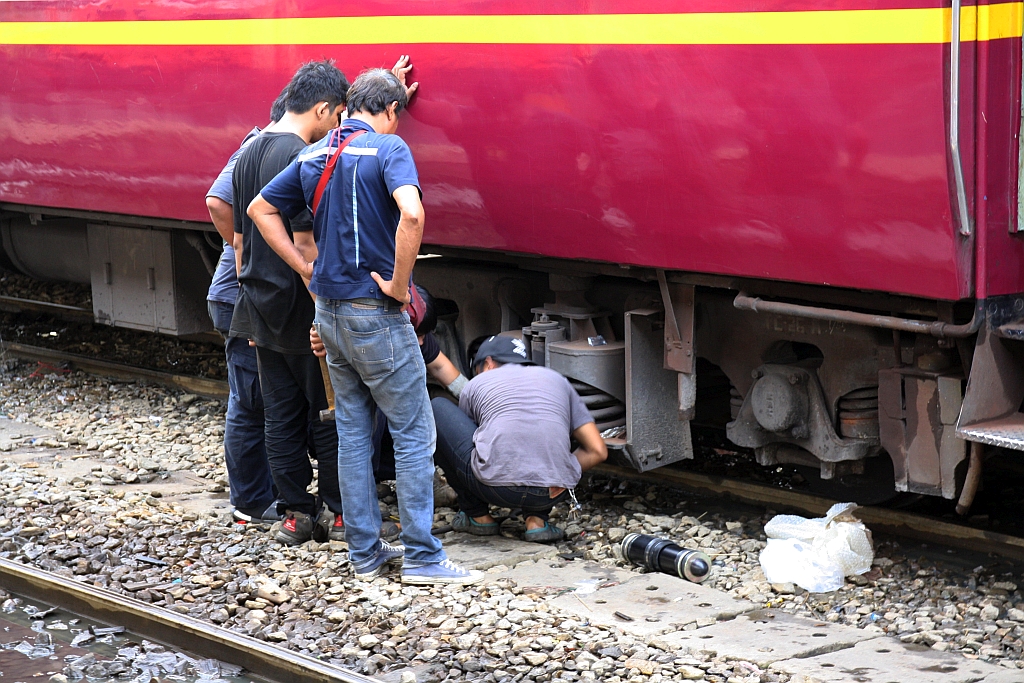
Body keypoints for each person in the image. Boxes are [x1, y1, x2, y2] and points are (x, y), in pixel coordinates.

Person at [249, 66, 482, 585]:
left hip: (328, 315)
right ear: (392, 110)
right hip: (373, 315)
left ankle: (364, 554)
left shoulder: (312, 154)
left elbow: (260, 209)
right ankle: (423, 557)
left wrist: (305, 267)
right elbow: (413, 216)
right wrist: (399, 286)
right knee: (414, 432)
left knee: (353, 433)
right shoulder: (388, 150)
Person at [229, 60, 348, 545]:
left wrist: (253, 290)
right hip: (301, 309)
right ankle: (341, 515)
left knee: (278, 416)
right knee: (327, 413)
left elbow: (238, 241)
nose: (338, 125)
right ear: (321, 108)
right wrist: (324, 312)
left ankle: (296, 515)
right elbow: (307, 246)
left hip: (258, 305)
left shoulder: (250, 149)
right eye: (338, 114)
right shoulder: (299, 155)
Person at [430, 335, 608, 543]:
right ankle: (536, 522)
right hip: (551, 492)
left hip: (493, 487)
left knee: (437, 409)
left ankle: (477, 515)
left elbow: (470, 441)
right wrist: (563, 472)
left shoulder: (479, 382)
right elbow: (598, 450)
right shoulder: (558, 380)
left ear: (487, 364)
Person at [204, 92, 287, 527]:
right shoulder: (257, 147)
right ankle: (250, 502)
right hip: (238, 296)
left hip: (244, 294)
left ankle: (263, 493)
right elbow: (217, 201)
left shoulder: (267, 146)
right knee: (250, 401)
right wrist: (239, 246)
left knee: (261, 398)